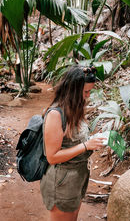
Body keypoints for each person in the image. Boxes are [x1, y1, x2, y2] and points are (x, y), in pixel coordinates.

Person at [40, 65, 106, 221]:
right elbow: (52, 157)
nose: (88, 96)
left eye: (90, 91)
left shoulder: (76, 107)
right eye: (85, 92)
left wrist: (95, 141)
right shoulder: (56, 115)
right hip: (62, 182)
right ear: (73, 91)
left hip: (77, 178)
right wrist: (85, 146)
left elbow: (74, 140)